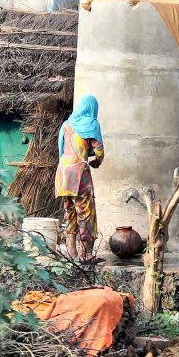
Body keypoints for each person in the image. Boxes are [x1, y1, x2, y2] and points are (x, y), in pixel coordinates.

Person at [55, 94, 104, 264]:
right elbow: (99, 151)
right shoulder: (91, 124)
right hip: (79, 173)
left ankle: (71, 251)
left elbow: (61, 149)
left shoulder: (66, 124)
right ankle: (86, 254)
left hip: (62, 172)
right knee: (86, 213)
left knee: (69, 211)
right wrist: (95, 162)